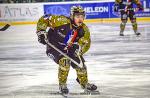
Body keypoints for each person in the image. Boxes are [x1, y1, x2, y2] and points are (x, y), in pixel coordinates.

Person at [36, 6, 97, 94]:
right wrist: (41, 32)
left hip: (68, 48)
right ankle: (62, 85)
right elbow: (45, 19)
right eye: (77, 16)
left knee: (81, 65)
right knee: (65, 61)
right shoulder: (62, 21)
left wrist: (79, 49)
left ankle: (84, 83)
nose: (80, 19)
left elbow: (86, 44)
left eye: (82, 16)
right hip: (53, 47)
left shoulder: (84, 30)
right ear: (72, 16)